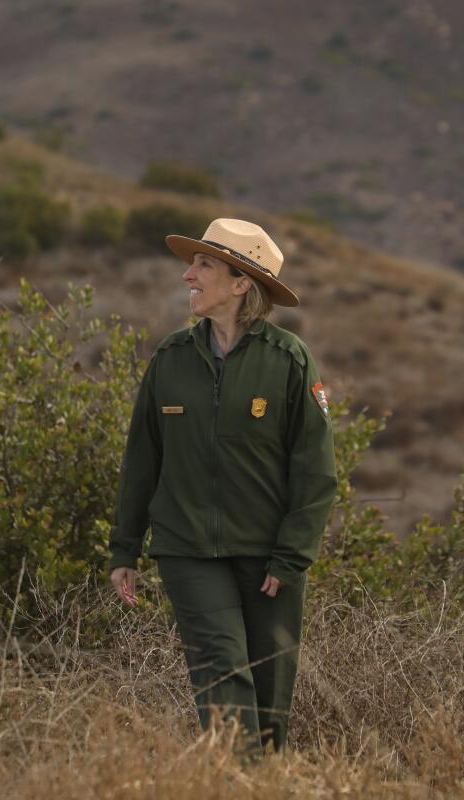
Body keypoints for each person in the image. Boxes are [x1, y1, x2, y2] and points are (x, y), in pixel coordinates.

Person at [108, 218, 336, 751]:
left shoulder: (289, 361)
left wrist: (292, 556)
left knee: (271, 692)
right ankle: (241, 779)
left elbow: (315, 469)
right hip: (187, 549)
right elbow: (142, 461)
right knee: (223, 673)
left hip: (270, 557)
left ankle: (262, 781)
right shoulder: (170, 360)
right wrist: (125, 548)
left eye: (203, 265)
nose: (188, 275)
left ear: (241, 284)